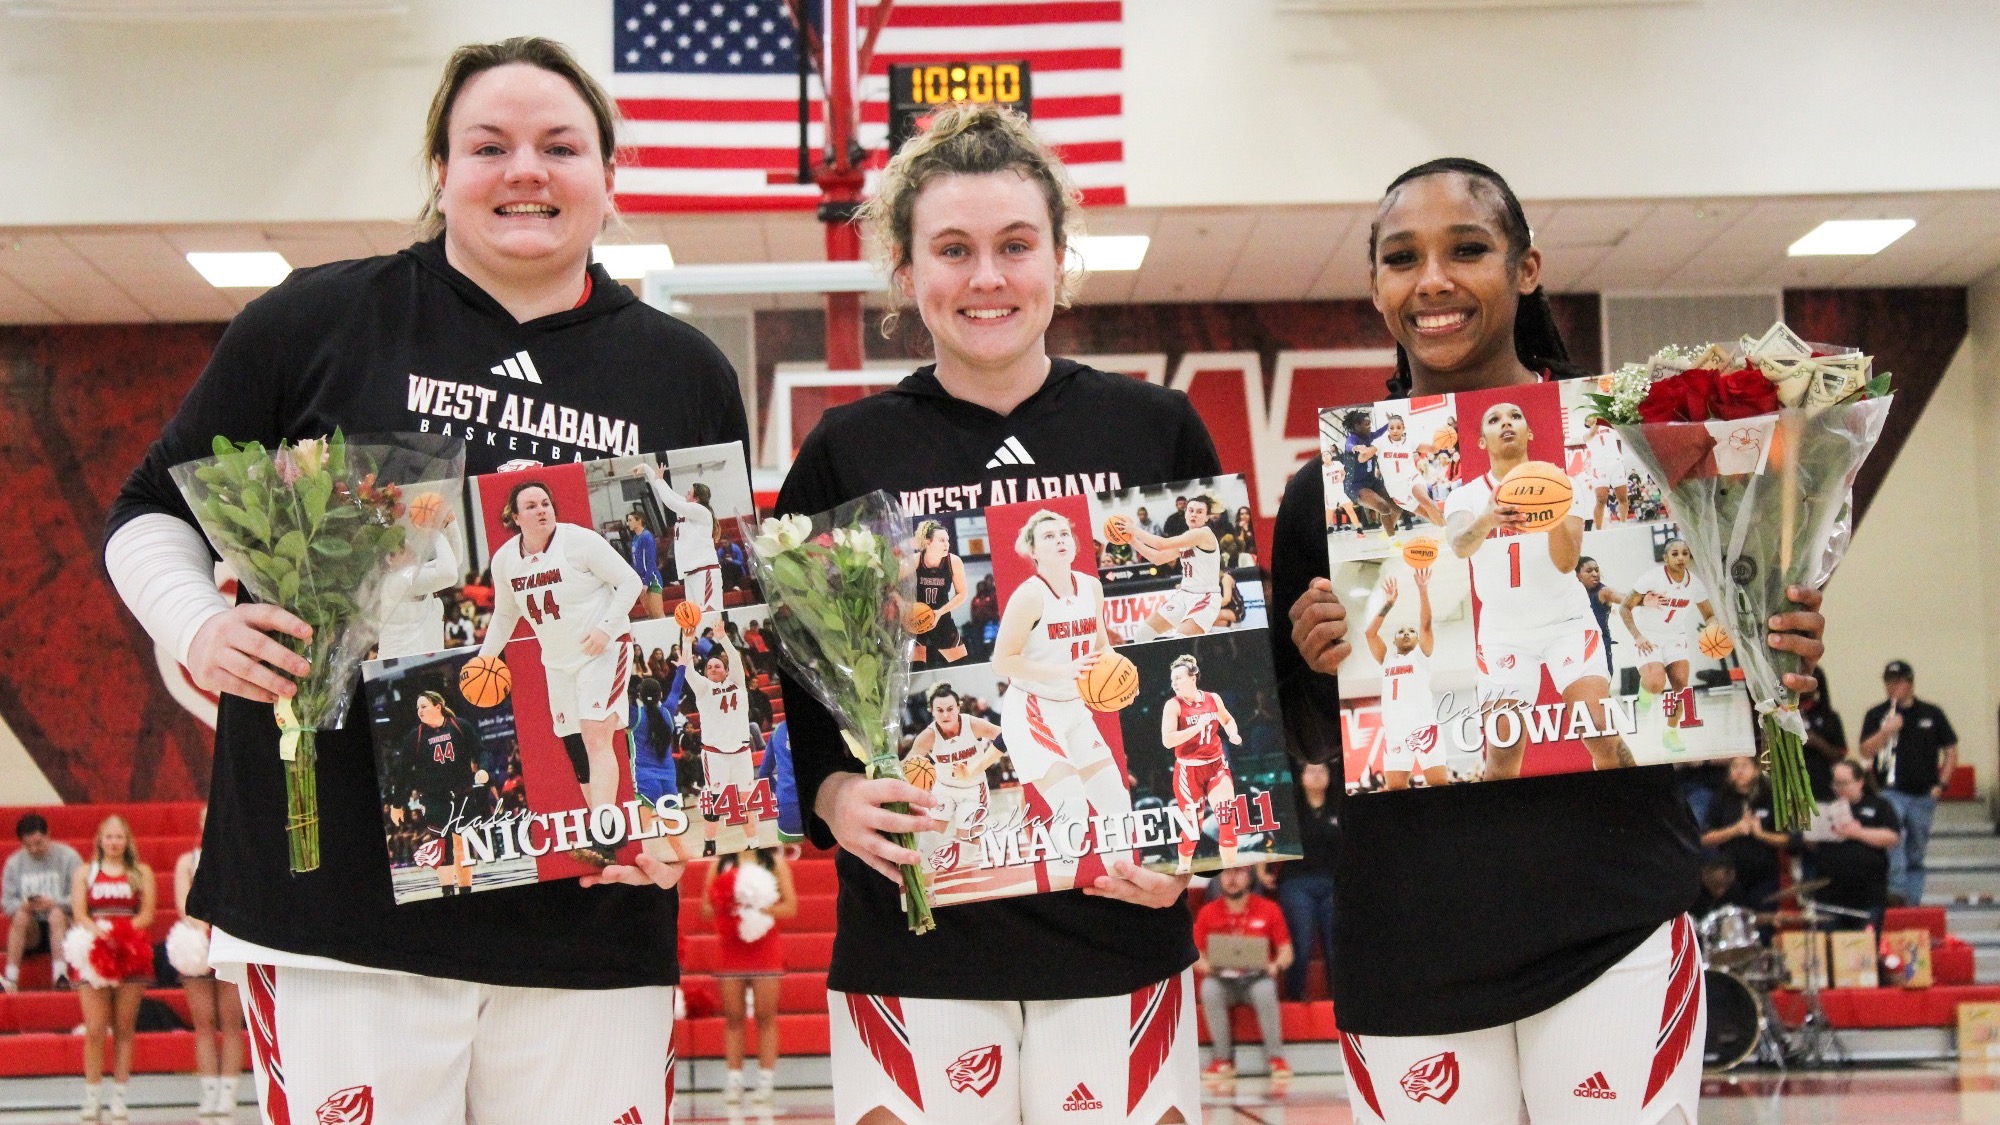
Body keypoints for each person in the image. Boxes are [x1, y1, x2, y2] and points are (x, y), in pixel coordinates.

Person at [102, 37, 745, 1124]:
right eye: (487, 145)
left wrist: (693, 805)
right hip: (334, 910)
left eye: (560, 146)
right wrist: (196, 630)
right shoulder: (313, 320)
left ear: (609, 178)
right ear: (440, 170)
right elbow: (147, 512)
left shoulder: (682, 372)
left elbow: (705, 614)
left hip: (587, 915)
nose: (524, 170)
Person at [1271, 157, 1826, 1124]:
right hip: (1411, 945)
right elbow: (1315, 740)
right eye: (1403, 259)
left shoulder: (1638, 447)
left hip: (1611, 922)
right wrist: (1321, 663)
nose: (1433, 280)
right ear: (1375, 287)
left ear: (1527, 268)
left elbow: (1725, 671)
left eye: (1468, 249)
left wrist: (1781, 643)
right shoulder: (1330, 494)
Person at [775, 104, 1215, 1125]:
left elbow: (1213, 652)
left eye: (1015, 246)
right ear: (904, 272)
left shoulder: (1154, 428)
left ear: (1059, 260)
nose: (986, 278)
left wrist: (1191, 842)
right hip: (915, 937)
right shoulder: (845, 454)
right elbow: (780, 685)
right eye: (953, 249)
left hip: (1120, 932)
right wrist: (834, 796)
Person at [1444, 399, 1629, 776]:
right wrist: (1486, 519)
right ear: (1481, 441)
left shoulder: (1566, 486)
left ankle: (1632, 806)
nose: (1506, 423)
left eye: (1515, 416)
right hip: (1503, 633)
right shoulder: (1465, 497)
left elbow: (1565, 563)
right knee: (1502, 752)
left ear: (1529, 432)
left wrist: (1551, 513)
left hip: (1567, 622)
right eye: (1494, 419)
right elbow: (1460, 545)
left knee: (1600, 731)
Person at [476, 480, 644, 845]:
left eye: (546, 503)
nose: (542, 510)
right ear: (515, 517)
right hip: (556, 662)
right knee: (575, 746)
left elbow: (630, 581)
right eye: (532, 506)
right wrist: (484, 659)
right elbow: (505, 615)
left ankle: (604, 831)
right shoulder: (505, 560)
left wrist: (605, 628)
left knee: (595, 735)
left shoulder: (580, 541)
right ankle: (605, 838)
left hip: (603, 650)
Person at [991, 510, 1129, 890]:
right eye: (1049, 535)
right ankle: (1055, 892)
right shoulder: (1029, 596)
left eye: (1065, 532)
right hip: (1033, 708)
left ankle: (1124, 885)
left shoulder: (1090, 587)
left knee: (1115, 800)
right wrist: (1062, 671)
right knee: (1072, 805)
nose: (1060, 539)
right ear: (1033, 549)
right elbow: (1002, 661)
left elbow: (1100, 644)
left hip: (1074, 708)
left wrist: (1120, 671)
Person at [70, 816, 155, 1122]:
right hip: (94, 950)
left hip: (130, 951)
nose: (114, 842)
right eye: (109, 837)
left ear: (127, 840)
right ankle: (91, 1098)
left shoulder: (141, 872)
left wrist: (121, 936)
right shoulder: (85, 872)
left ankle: (119, 1099)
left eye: (119, 837)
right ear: (100, 840)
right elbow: (80, 913)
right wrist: (102, 935)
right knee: (94, 1030)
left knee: (124, 1028)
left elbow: (146, 914)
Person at [701, 848, 798, 1105]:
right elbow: (705, 908)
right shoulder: (720, 863)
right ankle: (734, 1081)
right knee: (733, 1017)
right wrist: (729, 901)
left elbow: (790, 907)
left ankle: (766, 1082)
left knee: (766, 1016)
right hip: (730, 948)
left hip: (765, 950)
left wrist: (759, 908)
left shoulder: (773, 862)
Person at [1859, 660, 1959, 905]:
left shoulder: (1931, 713)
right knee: (1894, 840)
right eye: (1888, 682)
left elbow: (1951, 750)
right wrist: (1886, 731)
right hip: (1891, 791)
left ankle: (1912, 903)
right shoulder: (1877, 714)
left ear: (1910, 683)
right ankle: (1896, 892)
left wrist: (1941, 785)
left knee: (1916, 851)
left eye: (1898, 682)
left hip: (1924, 794)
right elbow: (1865, 751)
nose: (1892, 687)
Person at [1193, 867, 1294, 1084]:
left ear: (1249, 878)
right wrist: (1209, 967)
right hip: (1222, 978)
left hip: (1256, 978)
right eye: (1227, 873)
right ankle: (1222, 1060)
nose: (1232, 878)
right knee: (1209, 989)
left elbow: (1286, 951)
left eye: (1238, 872)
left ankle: (1276, 1058)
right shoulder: (1207, 912)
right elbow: (1196, 955)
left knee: (1266, 989)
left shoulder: (1269, 909)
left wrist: (1275, 966)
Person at [173, 816, 244, 1120]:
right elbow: (183, 903)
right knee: (203, 1023)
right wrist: (203, 929)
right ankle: (209, 1092)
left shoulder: (239, 856)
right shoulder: (186, 861)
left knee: (231, 1023)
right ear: (201, 826)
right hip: (198, 941)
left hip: (230, 937)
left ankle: (229, 1093)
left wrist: (224, 929)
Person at [1621, 539, 1719, 753]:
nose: (1681, 557)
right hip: (1648, 636)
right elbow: (1624, 607)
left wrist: (1713, 629)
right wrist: (1637, 636)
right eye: (1675, 554)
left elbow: (1709, 614)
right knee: (1656, 683)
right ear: (1666, 558)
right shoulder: (1651, 578)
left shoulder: (1695, 584)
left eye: (1685, 553)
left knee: (1681, 684)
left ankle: (1670, 734)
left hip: (1675, 636)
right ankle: (1645, 691)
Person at [392, 691, 489, 893]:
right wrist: (397, 804)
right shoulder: (415, 737)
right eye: (417, 708)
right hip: (434, 799)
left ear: (438, 707)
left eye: (424, 706)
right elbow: (402, 772)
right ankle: (447, 892)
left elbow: (480, 751)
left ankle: (465, 891)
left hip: (462, 796)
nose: (419, 711)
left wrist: (483, 769)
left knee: (462, 847)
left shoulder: (459, 726)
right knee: (443, 849)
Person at [904, 684, 1004, 869]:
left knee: (967, 849)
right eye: (939, 710)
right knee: (928, 842)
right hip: (943, 788)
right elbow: (906, 766)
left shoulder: (972, 724)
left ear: (958, 707)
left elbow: (1004, 736)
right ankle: (929, 890)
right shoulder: (927, 737)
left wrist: (980, 765)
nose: (945, 714)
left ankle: (964, 882)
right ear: (931, 712)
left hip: (973, 789)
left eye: (950, 709)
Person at [1162, 655, 1243, 875]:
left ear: (1193, 677)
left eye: (1178, 678)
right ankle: (1184, 866)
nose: (1175, 683)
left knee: (1226, 817)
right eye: (1172, 680)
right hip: (1189, 771)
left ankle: (1230, 870)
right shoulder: (1173, 705)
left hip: (1216, 764)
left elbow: (1227, 719)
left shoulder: (1213, 698)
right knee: (1193, 828)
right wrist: (1196, 728)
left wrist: (1232, 733)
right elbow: (1167, 740)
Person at [684, 634, 764, 855]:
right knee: (715, 802)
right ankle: (709, 843)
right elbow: (689, 671)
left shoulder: (737, 683)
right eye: (709, 666)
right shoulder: (703, 689)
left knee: (746, 800)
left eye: (717, 665)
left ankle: (754, 842)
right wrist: (686, 640)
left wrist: (723, 639)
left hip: (741, 752)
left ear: (726, 670)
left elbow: (736, 660)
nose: (712, 668)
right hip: (716, 754)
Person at [1363, 572, 1441, 791]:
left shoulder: (1422, 656)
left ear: (1417, 639)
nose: (1406, 633)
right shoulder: (1387, 659)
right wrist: (1388, 604)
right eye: (1401, 631)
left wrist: (1422, 590)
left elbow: (1426, 625)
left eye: (1411, 631)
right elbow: (1370, 633)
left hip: (1424, 730)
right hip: (1396, 734)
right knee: (1395, 791)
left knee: (1439, 786)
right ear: (1394, 639)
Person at [1804, 761, 1901, 929]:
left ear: (1860, 782)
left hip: (1867, 895)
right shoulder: (1825, 806)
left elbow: (1892, 836)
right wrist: (1812, 835)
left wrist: (1858, 833)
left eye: (1843, 783)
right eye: (1835, 783)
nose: (1838, 788)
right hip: (1830, 894)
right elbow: (1809, 843)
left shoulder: (1878, 805)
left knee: (1864, 948)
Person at [1274, 761, 1337, 1001]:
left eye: (1323, 770)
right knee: (1300, 944)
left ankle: (1340, 1000)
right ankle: (1294, 998)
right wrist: (1260, 870)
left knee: (1336, 948)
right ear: (1300, 777)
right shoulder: (1290, 809)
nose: (1317, 775)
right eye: (1311, 770)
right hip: (1296, 882)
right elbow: (1271, 836)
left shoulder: (1339, 808)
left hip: (1333, 883)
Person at [1125, 492, 1225, 639]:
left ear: (1207, 517)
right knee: (1141, 635)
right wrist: (1132, 541)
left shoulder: (1202, 534)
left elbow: (1161, 544)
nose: (1194, 514)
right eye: (1191, 510)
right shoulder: (1187, 538)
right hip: (1184, 594)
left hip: (1205, 597)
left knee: (1180, 639)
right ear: (1185, 513)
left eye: (1199, 512)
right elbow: (1158, 558)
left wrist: (1134, 529)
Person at [635, 461, 722, 623]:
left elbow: (670, 502)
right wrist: (646, 469)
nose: (685, 494)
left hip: (704, 572)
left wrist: (660, 480)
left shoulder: (700, 511)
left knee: (711, 620)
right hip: (691, 574)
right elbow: (666, 492)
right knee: (695, 621)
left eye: (688, 493)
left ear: (696, 498)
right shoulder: (690, 507)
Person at [3, 813, 80, 992]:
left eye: (38, 843)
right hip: (32, 929)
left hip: (63, 924)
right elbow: (7, 903)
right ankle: (11, 978)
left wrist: (54, 903)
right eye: (28, 845)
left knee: (56, 914)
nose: (34, 849)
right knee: (20, 916)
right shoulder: (14, 863)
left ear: (48, 835)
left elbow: (79, 897)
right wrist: (24, 906)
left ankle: (60, 975)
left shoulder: (68, 857)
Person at [1698, 757, 1786, 910]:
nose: (1739, 771)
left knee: (1764, 921)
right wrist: (1735, 830)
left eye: (1744, 766)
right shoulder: (1721, 799)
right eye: (1734, 766)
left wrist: (1761, 834)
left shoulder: (1769, 798)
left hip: (1765, 874)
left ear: (1756, 770)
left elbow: (1789, 839)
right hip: (1730, 875)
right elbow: (1704, 838)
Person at [376, 507, 460, 658]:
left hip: (419, 666)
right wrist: (434, 532)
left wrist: (450, 524)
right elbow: (449, 574)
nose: (417, 556)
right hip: (401, 670)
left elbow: (453, 563)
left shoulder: (406, 578)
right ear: (391, 559)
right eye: (410, 552)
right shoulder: (400, 580)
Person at [907, 520, 971, 666]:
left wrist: (940, 612)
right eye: (941, 540)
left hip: (941, 617)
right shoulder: (915, 561)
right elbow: (890, 585)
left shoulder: (953, 562)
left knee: (961, 664)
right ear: (928, 542)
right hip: (916, 618)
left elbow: (962, 594)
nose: (947, 544)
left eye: (947, 540)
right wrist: (904, 605)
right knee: (917, 668)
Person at [1801, 668, 1849, 802]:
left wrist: (1817, 742)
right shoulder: (1784, 713)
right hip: (1790, 788)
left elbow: (1841, 754)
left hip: (1822, 786)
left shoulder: (1829, 716)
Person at [1574, 556, 1625, 682]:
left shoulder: (1602, 592)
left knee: (1600, 694)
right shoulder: (1571, 595)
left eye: (1597, 570)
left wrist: (1640, 599)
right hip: (1576, 650)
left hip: (1599, 650)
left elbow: (1622, 597)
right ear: (1577, 575)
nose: (1595, 574)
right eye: (1589, 571)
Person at [1583, 417, 1631, 529]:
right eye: (1589, 417)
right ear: (1586, 423)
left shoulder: (1609, 427)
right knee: (1601, 500)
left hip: (1616, 463)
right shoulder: (1586, 434)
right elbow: (1593, 432)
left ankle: (1623, 524)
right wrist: (1600, 419)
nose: (1593, 417)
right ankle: (1598, 529)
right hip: (1600, 467)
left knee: (1623, 498)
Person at [627, 510, 666, 619]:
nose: (628, 523)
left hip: (651, 578)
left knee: (658, 614)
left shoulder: (647, 537)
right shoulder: (635, 539)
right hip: (640, 580)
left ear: (639, 521)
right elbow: (636, 561)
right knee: (650, 615)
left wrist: (646, 581)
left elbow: (651, 561)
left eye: (630, 520)